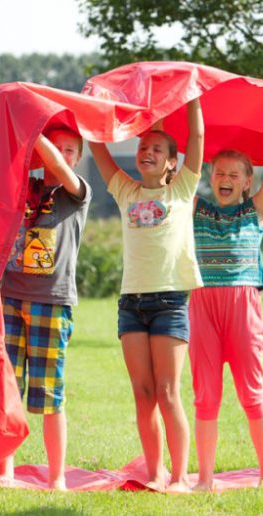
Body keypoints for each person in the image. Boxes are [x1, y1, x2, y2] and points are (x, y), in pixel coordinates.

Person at [88, 98, 204, 493]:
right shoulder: (125, 191)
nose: (147, 152)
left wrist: (192, 98)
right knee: (143, 394)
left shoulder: (184, 189)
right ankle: (155, 473)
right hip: (131, 305)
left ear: (173, 162)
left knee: (169, 391)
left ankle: (179, 476)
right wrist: (90, 112)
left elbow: (199, 136)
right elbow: (98, 148)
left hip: (170, 303)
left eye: (157, 148)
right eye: (142, 147)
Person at [189, 90, 263, 491]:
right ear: (209, 176)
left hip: (243, 304)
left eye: (235, 175)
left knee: (252, 391)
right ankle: (204, 479)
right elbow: (185, 161)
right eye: (219, 173)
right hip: (201, 305)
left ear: (248, 181)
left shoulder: (256, 211)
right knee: (205, 396)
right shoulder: (196, 208)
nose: (226, 180)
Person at [0, 125, 91, 490]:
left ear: (78, 158)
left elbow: (58, 165)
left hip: (52, 302)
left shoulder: (77, 191)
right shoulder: (25, 185)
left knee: (49, 393)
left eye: (70, 149)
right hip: (11, 297)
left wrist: (31, 128)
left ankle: (56, 479)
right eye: (57, 147)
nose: (62, 155)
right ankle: (5, 471)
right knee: (9, 389)